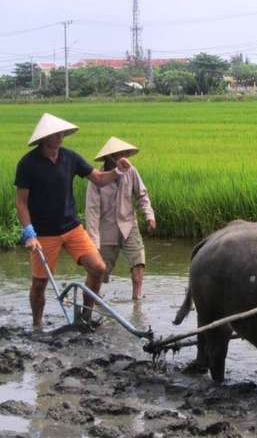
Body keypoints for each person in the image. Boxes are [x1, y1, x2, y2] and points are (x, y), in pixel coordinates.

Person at [14, 113, 133, 327]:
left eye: (62, 133)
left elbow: (98, 179)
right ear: (44, 137)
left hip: (71, 227)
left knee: (98, 268)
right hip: (44, 233)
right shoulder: (28, 163)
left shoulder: (70, 158)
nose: (60, 137)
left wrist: (117, 171)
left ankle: (85, 318)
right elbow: (21, 202)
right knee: (40, 282)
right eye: (55, 134)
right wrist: (29, 233)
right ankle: (37, 325)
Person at [86, 137, 156, 300]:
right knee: (99, 271)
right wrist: (94, 242)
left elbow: (142, 194)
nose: (123, 158)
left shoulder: (131, 171)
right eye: (119, 154)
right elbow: (92, 212)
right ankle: (93, 300)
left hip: (128, 225)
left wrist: (149, 215)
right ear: (110, 157)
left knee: (138, 260)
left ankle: (137, 299)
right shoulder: (96, 179)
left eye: (125, 154)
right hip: (106, 229)